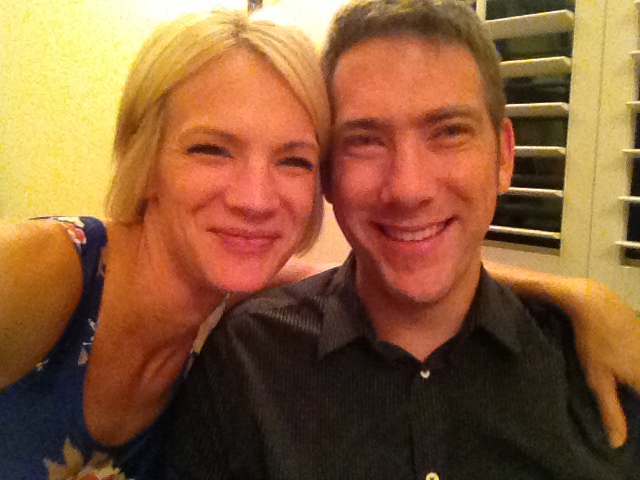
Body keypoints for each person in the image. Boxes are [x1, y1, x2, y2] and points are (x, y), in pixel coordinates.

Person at [162, 1, 640, 479]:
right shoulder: (246, 361)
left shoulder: (602, 371)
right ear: (328, 173)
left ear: (504, 156)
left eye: (449, 132)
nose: (408, 189)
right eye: (365, 140)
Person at [0, 9, 331, 479]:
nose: (255, 200)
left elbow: (343, 284)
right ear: (146, 159)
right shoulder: (40, 270)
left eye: (294, 161)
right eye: (211, 150)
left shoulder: (229, 302)